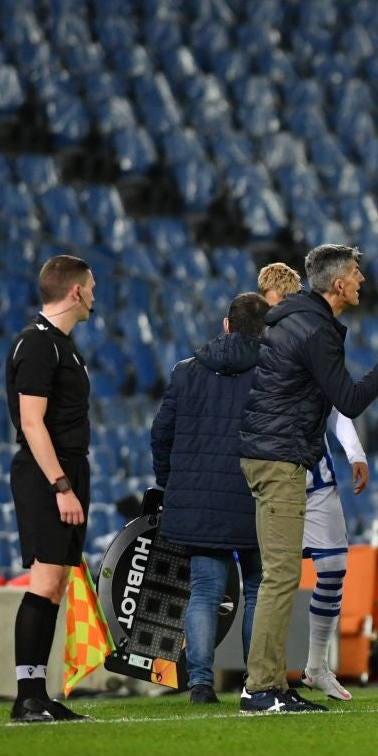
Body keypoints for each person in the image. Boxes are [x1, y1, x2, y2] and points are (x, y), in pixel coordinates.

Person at [238, 244, 378, 715]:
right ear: (338, 284)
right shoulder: (315, 329)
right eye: (357, 273)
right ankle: (261, 688)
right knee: (281, 576)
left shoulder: (296, 319)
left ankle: (271, 682)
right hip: (280, 458)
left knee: (279, 575)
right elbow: (351, 399)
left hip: (271, 454)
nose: (362, 280)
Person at [150, 292, 269, 704]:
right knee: (258, 589)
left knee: (204, 591)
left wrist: (172, 483)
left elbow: (160, 433)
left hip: (198, 499)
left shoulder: (186, 371)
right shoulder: (272, 371)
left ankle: (201, 683)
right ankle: (256, 680)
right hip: (255, 494)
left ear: (225, 324)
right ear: (264, 331)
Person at [259, 263, 369, 702]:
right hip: (274, 466)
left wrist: (355, 452)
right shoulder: (264, 339)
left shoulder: (310, 334)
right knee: (271, 578)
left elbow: (336, 401)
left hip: (314, 468)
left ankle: (316, 666)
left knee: (333, 567)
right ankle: (258, 677)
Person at [4, 254, 97, 723]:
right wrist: (60, 484)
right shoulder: (38, 344)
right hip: (48, 475)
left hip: (68, 470)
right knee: (44, 579)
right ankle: (26, 696)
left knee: (57, 582)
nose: (94, 296)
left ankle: (38, 693)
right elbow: (31, 422)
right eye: (92, 287)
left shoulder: (65, 346)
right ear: (76, 291)